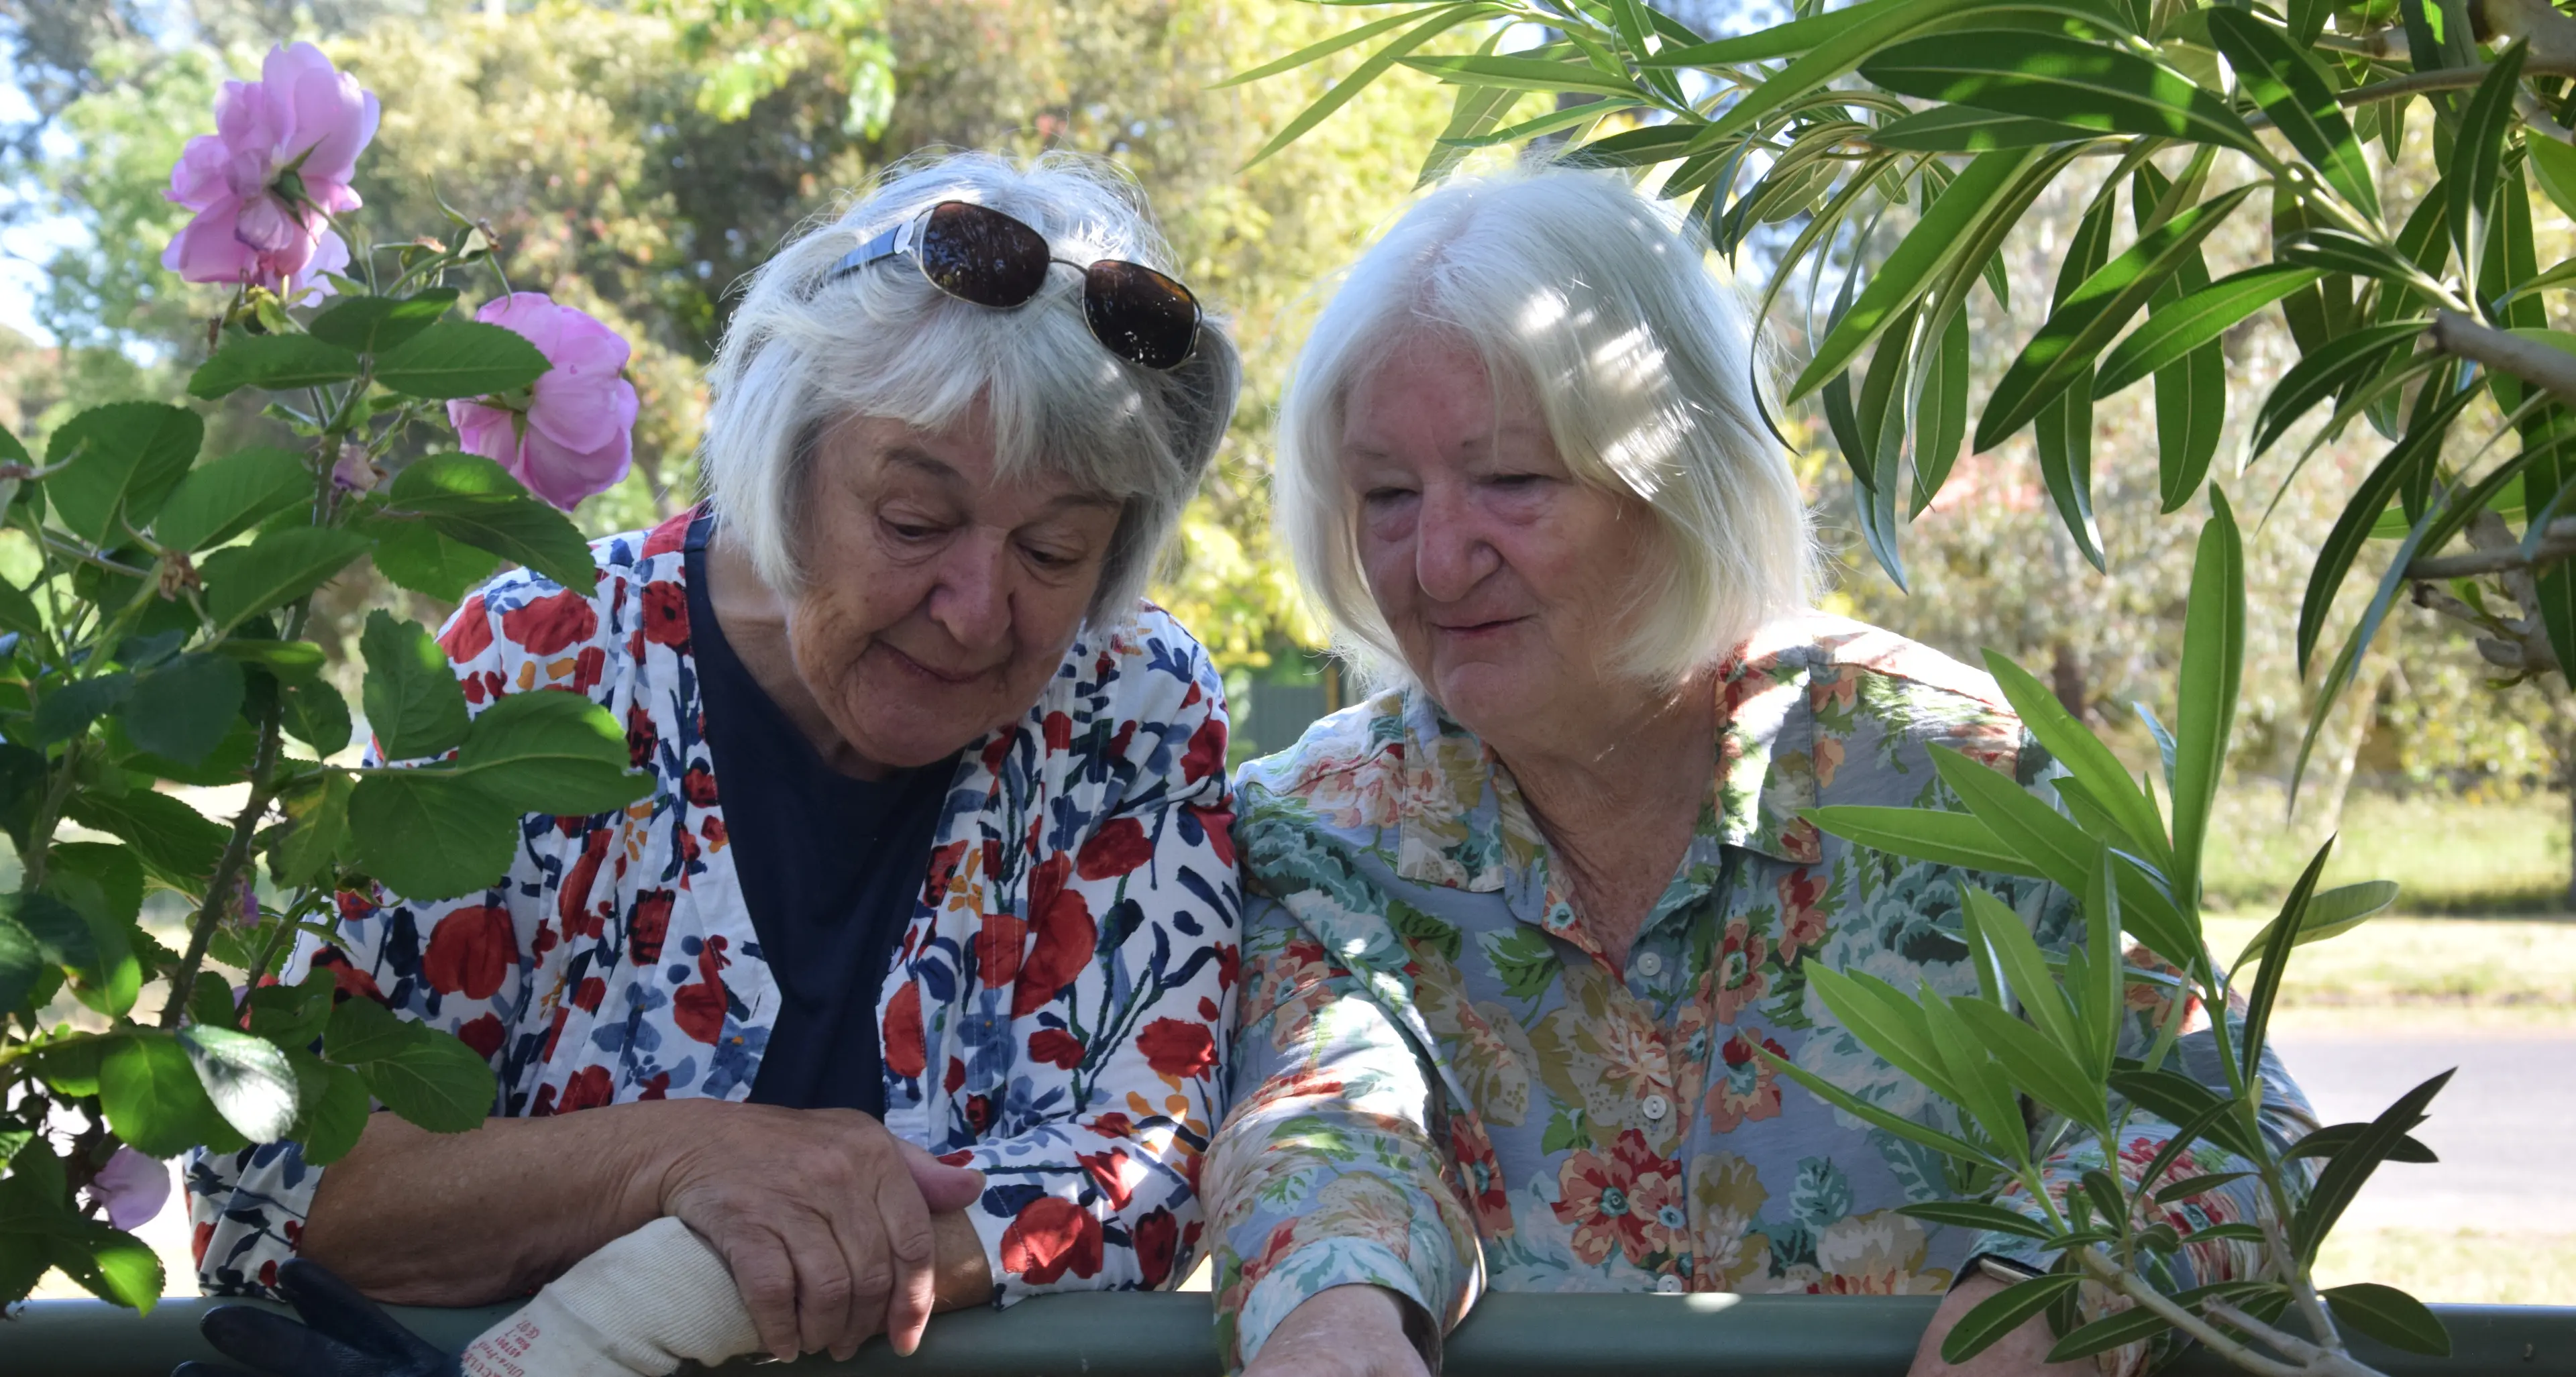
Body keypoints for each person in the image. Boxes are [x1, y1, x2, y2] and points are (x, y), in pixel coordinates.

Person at [1199, 166, 2317, 1377]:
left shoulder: (1956, 774)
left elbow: (2230, 1121)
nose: (1436, 562)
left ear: (1676, 483)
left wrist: (2038, 1311)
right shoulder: (1317, 830)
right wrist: (1336, 1318)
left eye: (1512, 481)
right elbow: (1323, 1116)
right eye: (1386, 494)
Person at [183, 150, 1246, 1373]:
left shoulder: (1129, 705)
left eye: (1053, 553)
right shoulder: (546, 659)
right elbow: (272, 1180)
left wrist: (687, 1289)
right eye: (915, 522)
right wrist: (674, 1159)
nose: (973, 612)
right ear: (785, 465)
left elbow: (1152, 1167)